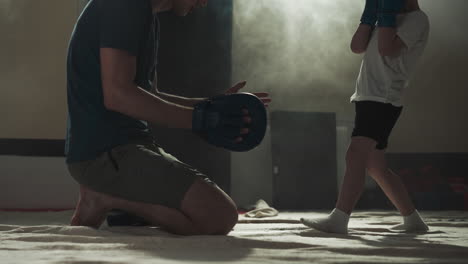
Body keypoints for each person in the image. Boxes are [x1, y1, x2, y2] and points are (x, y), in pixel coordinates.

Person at [65, 0, 270, 236]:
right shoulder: (124, 6)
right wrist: (201, 120)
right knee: (219, 215)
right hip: (104, 153)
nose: (205, 2)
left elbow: (148, 93)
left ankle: (105, 195)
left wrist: (211, 106)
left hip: (124, 147)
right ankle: (104, 197)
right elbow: (118, 95)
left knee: (215, 212)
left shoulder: (144, 15)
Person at [301, 0, 430, 234]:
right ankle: (413, 221)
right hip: (368, 95)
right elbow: (357, 46)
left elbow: (387, 48)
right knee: (375, 166)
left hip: (383, 98)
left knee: (356, 153)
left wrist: (387, 14)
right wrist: (369, 16)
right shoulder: (385, 16)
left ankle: (339, 218)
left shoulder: (417, 19)